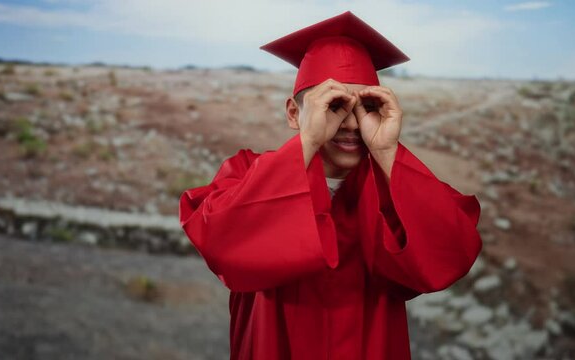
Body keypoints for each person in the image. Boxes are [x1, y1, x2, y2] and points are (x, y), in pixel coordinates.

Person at [179, 11, 483, 360]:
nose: (352, 124)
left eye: (367, 107)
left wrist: (386, 151)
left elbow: (451, 252)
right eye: (334, 105)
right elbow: (220, 241)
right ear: (294, 113)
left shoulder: (395, 187)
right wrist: (308, 141)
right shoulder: (245, 173)